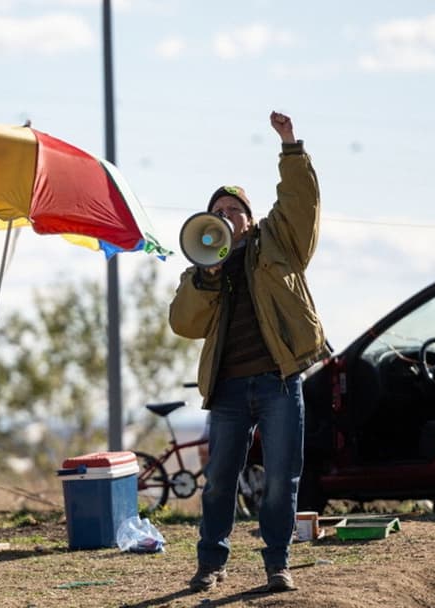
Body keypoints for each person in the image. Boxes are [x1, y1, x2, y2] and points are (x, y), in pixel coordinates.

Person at [169, 111, 329, 593]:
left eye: (233, 210)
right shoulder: (200, 271)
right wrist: (206, 279)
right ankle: (210, 564)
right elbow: (183, 323)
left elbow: (300, 203)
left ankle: (277, 564)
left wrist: (290, 147)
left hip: (279, 381)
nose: (224, 217)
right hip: (229, 391)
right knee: (219, 481)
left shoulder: (279, 243)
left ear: (250, 219)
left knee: (281, 479)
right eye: (217, 211)